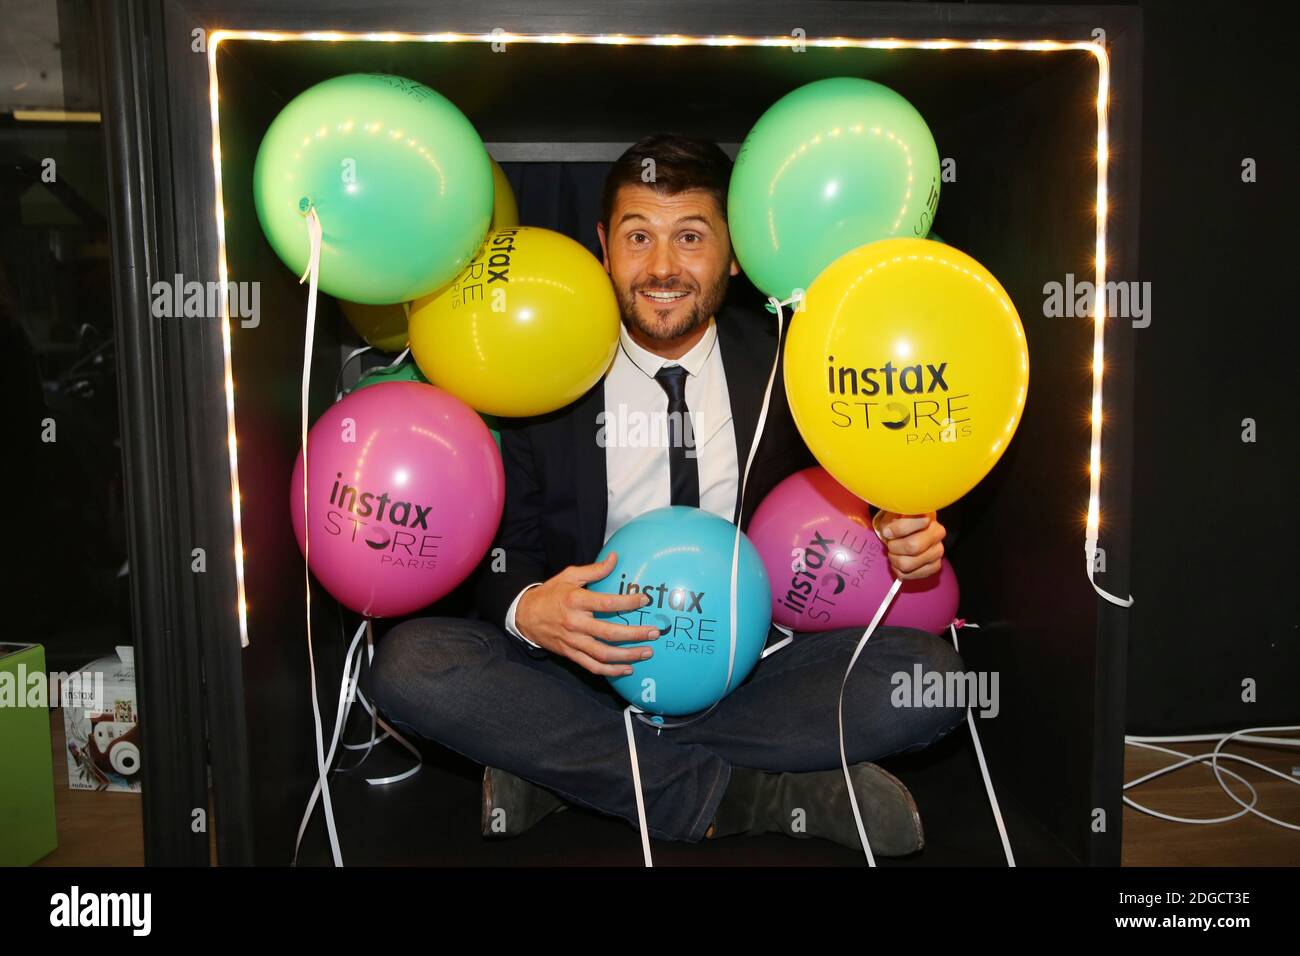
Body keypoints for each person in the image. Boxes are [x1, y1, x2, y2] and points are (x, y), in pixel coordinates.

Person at [368, 134, 965, 855]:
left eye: (690, 238)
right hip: (583, 673)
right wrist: (533, 611)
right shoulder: (542, 366)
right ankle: (749, 793)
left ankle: (569, 771)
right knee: (412, 664)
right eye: (637, 237)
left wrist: (904, 530)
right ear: (603, 248)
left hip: (752, 668)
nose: (660, 268)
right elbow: (504, 556)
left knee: (928, 678)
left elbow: (864, 496)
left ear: (734, 253)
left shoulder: (796, 364)